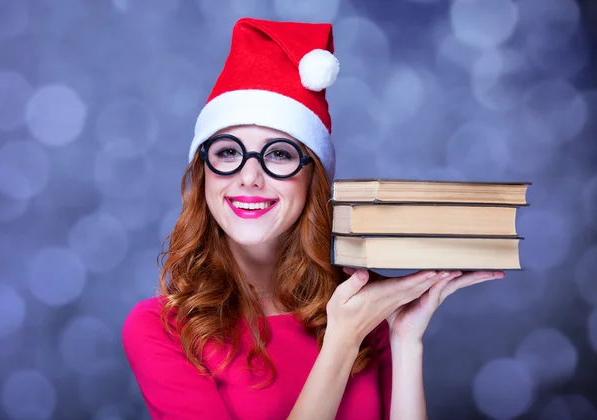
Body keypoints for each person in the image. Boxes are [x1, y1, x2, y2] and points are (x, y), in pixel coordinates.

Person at [122, 17, 505, 420]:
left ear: (312, 178)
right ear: (203, 173)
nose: (249, 178)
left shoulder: (360, 305)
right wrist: (343, 339)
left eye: (279, 155)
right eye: (228, 152)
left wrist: (405, 339)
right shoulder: (159, 329)